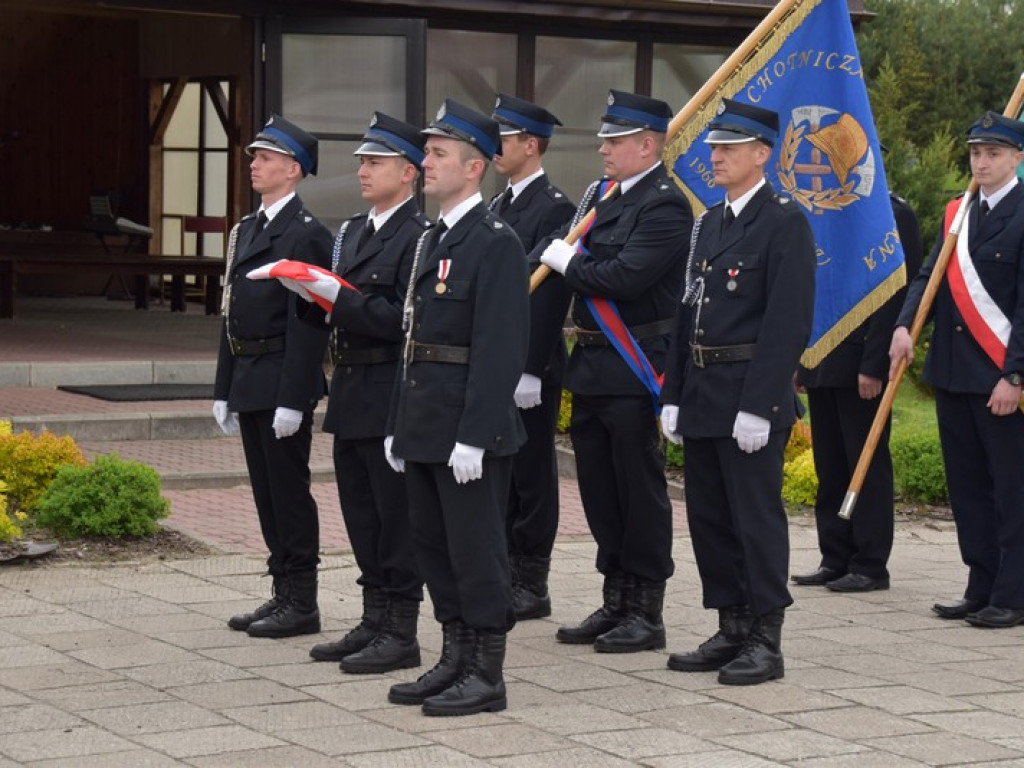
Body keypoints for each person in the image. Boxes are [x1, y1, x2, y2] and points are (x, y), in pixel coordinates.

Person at [660, 99, 816, 685]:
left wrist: (760, 404)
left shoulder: (784, 220)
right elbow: (686, 313)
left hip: (749, 393)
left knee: (754, 519)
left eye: (728, 147)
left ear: (761, 153)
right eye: (714, 147)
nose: (716, 156)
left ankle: (765, 638)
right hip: (703, 391)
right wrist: (673, 392)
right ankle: (730, 625)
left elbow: (787, 322)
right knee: (710, 519)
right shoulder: (709, 223)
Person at [384, 99, 530, 716]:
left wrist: (474, 434)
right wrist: (397, 424)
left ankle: (487, 672)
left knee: (476, 551)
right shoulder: (432, 238)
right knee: (433, 547)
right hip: (423, 421)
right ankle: (454, 655)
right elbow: (414, 338)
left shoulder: (494, 241)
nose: (427, 162)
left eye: (439, 154)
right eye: (427, 152)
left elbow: (500, 346)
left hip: (468, 431)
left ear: (475, 168)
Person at [539, 90, 693, 653]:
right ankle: (615, 598)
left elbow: (626, 277)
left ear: (648, 144)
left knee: (638, 490)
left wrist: (571, 262)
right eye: (604, 138)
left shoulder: (666, 205)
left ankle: (646, 611)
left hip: (635, 362)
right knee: (601, 491)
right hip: (594, 363)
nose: (603, 148)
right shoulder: (599, 196)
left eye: (616, 139)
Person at [281, 114, 430, 672]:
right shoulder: (353, 231)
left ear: (408, 173)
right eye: (362, 162)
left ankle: (401, 629)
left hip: (390, 384)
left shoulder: (416, 236)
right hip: (351, 386)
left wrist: (334, 298)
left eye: (375, 162)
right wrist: (307, 293)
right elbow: (338, 310)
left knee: (395, 517)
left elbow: (402, 320)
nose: (363, 171)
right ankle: (372, 618)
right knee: (361, 512)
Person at [890, 111, 1024, 629]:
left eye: (992, 154)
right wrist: (905, 326)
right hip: (952, 372)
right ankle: (980, 584)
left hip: (998, 377)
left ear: (1016, 158)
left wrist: (1015, 377)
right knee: (967, 489)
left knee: (1010, 489)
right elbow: (927, 278)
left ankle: (1012, 594)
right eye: (975, 153)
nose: (982, 162)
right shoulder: (958, 213)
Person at [213, 115, 333, 638]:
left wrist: (294, 396)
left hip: (282, 375)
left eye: (265, 158)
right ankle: (281, 589)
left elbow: (308, 322)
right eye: (255, 158)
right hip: (250, 373)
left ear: (293, 169)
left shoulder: (305, 235)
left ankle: (302, 600)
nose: (255, 165)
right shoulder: (249, 228)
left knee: (288, 490)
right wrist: (222, 386)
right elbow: (229, 308)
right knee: (265, 492)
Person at [792, 191, 924, 592]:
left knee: (865, 466)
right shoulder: (826, 215)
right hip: (822, 359)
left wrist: (873, 364)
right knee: (830, 465)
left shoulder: (891, 213)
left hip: (859, 363)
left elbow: (896, 293)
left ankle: (869, 563)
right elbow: (811, 285)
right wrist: (803, 359)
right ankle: (835, 556)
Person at [488, 93, 576, 620]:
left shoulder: (556, 207)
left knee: (532, 474)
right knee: (502, 468)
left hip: (530, 366)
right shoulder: (499, 205)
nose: (495, 146)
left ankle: (531, 579)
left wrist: (529, 368)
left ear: (530, 144)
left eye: (503, 137)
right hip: (498, 361)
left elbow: (546, 296)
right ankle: (503, 566)